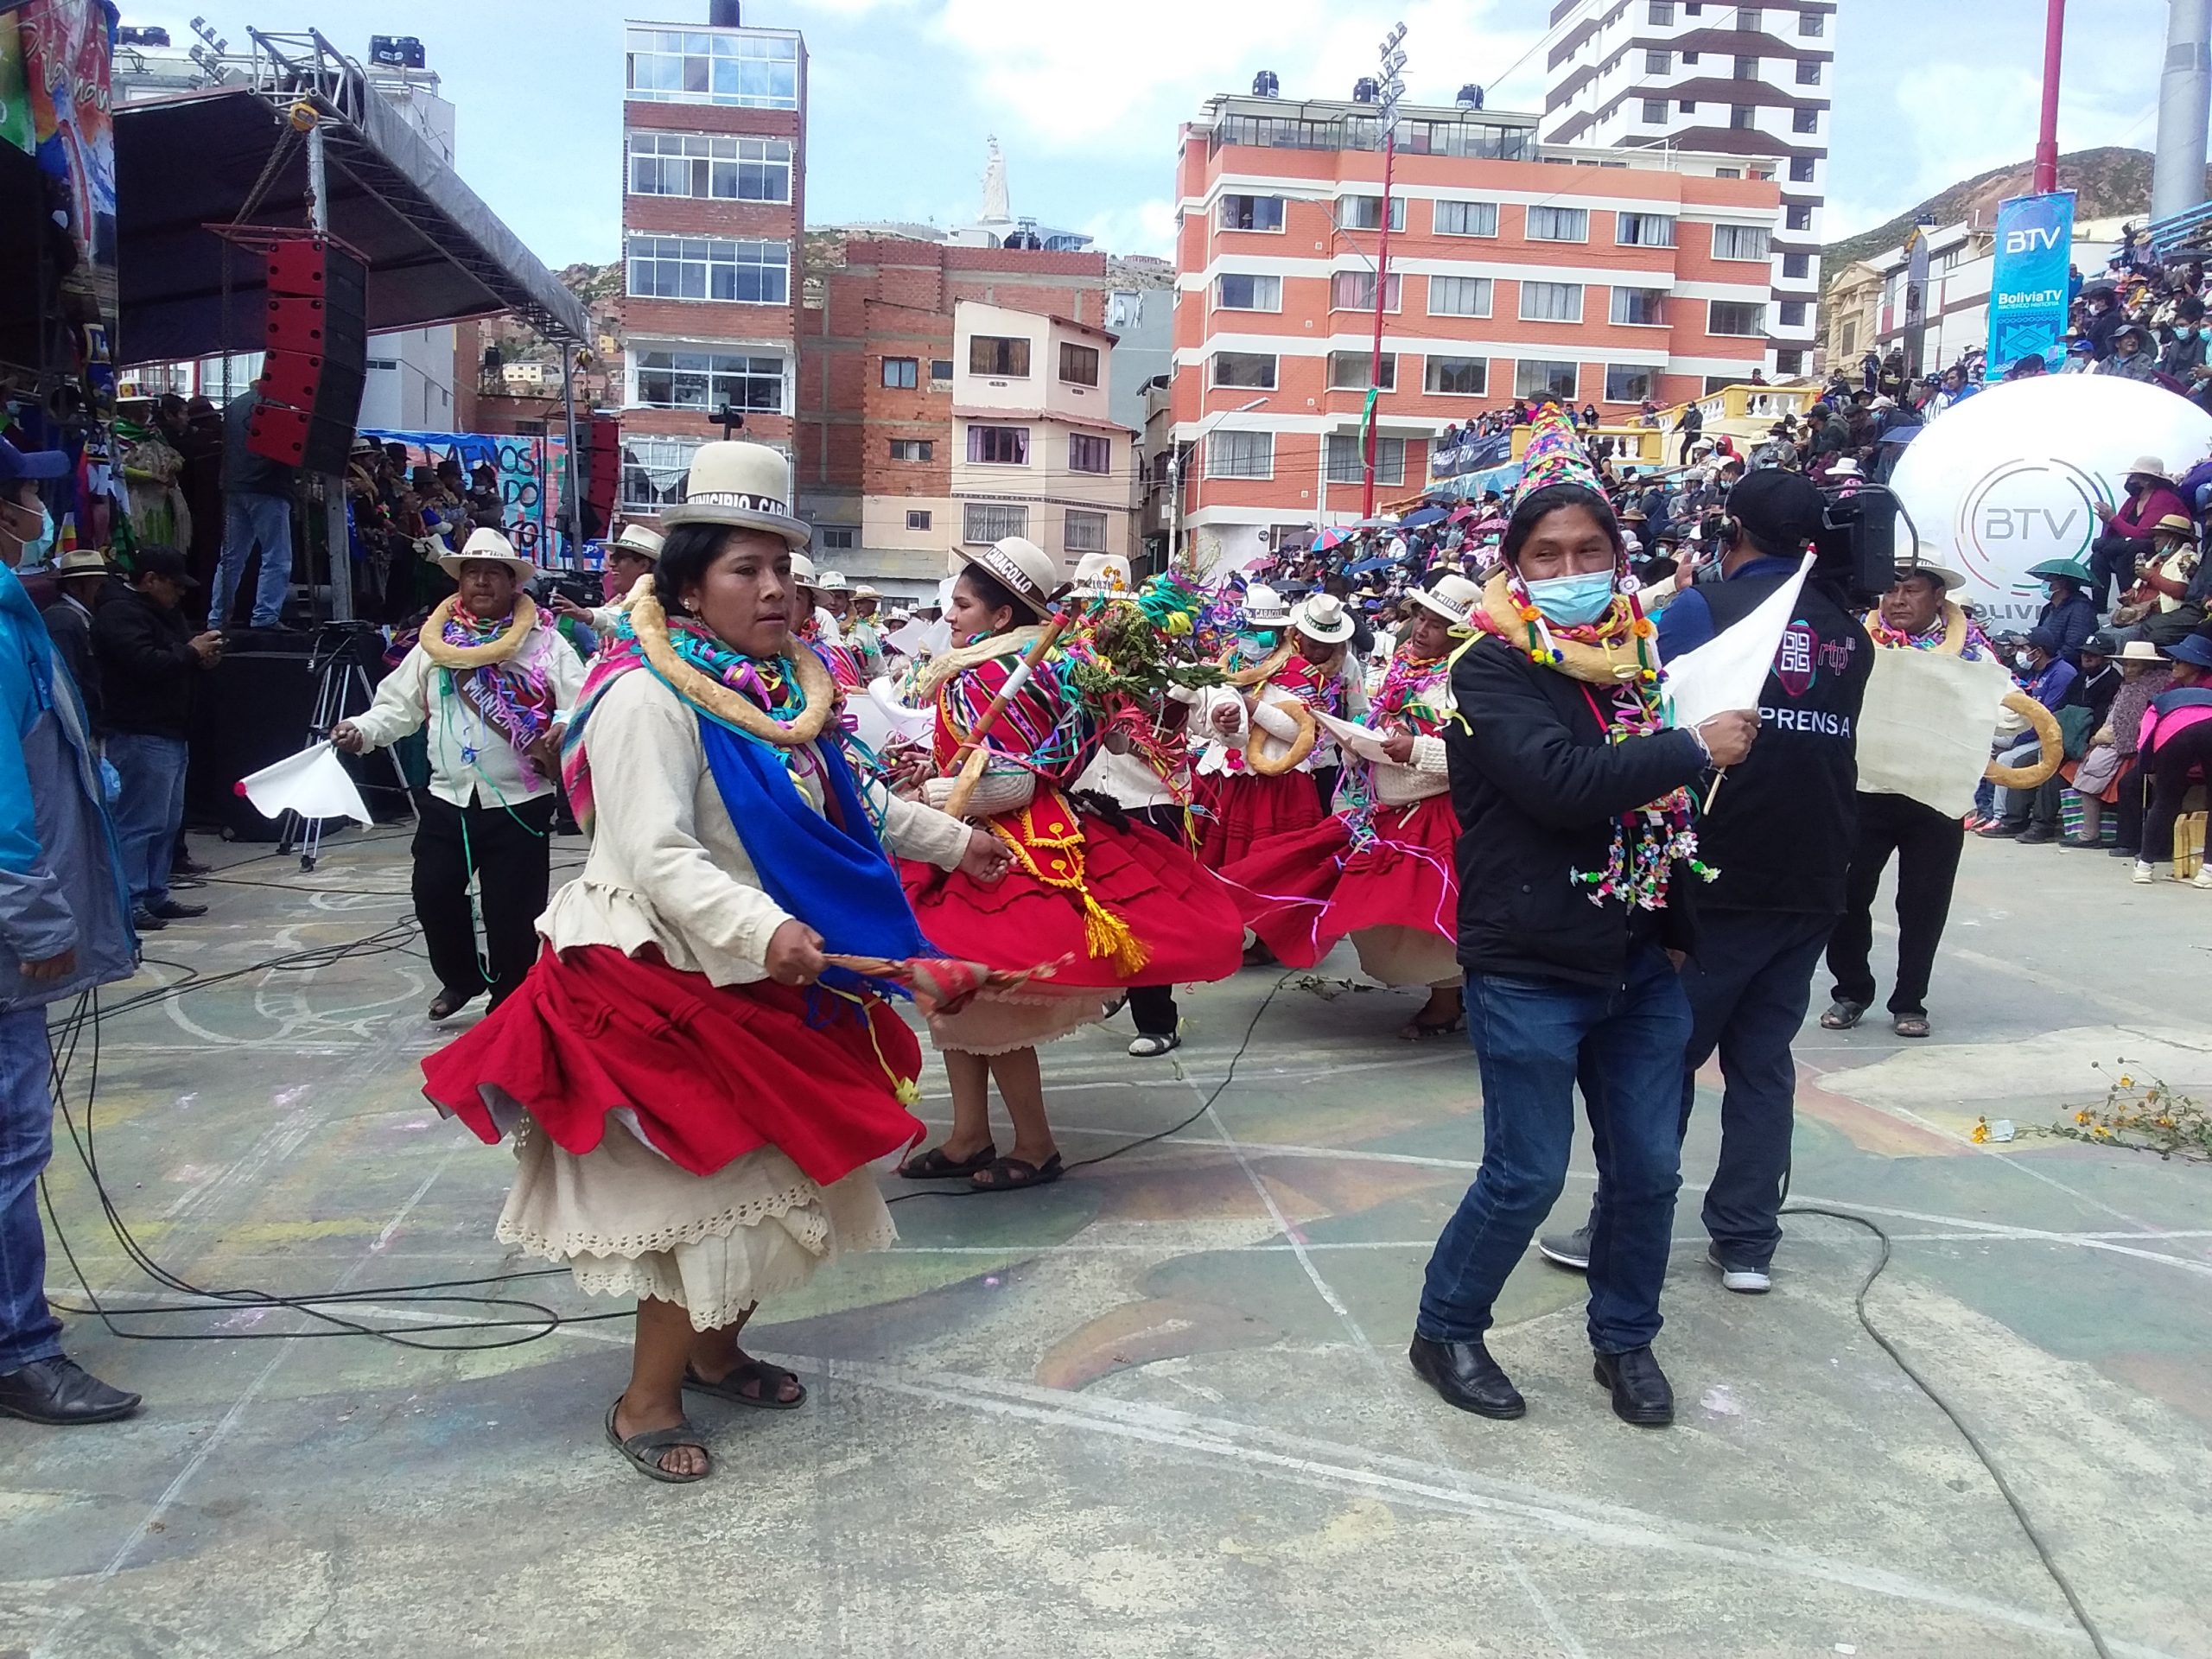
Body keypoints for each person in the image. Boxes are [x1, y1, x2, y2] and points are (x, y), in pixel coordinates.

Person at [418, 441, 1004, 1481]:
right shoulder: (648, 696)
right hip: (658, 977)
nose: (775, 588)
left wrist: (958, 842)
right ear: (688, 586)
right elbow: (653, 851)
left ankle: (718, 1351)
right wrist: (764, 932)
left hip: (758, 972)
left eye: (784, 567)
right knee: (702, 1201)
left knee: (779, 1180)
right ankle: (645, 1399)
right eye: (746, 569)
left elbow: (852, 804)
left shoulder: (783, 695)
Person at [1409, 477, 1759, 1428]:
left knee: (1647, 1171)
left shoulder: (1636, 659)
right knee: (1524, 1172)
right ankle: (1445, 1327)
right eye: (1546, 556)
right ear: (1513, 568)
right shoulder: (1490, 669)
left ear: (1618, 557)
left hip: (1639, 964)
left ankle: (1624, 1342)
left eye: (1588, 553)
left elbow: (1666, 816)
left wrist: (1678, 934)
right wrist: (1692, 746)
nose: (1569, 571)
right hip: (1528, 961)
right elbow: (1560, 784)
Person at [1548, 467, 1872, 1294]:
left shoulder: (1703, 610)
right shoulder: (1850, 629)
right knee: (1764, 1062)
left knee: (1664, 1057)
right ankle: (1748, 1242)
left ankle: (1620, 1228)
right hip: (1815, 873)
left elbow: (1655, 714)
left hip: (1716, 875)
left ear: (1735, 534)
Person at [898, 536, 1244, 1189]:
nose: (950, 616)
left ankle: (1034, 1145)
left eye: (963, 605)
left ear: (1002, 617)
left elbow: (1016, 782)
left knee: (988, 1006)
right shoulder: (1038, 667)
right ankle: (970, 1134)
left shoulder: (999, 676)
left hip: (1003, 847)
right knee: (951, 1002)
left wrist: (928, 796)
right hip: (976, 837)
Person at [0, 503, 142, 1427]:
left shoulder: (20, 616)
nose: (32, 515)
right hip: (10, 939)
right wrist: (41, 926)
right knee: (12, 1147)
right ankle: (19, 1348)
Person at [334, 529, 586, 1020]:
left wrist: (559, 727)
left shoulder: (544, 643)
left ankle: (509, 1003)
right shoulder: (433, 646)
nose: (482, 582)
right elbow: (396, 708)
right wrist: (360, 730)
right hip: (448, 800)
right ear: (459, 582)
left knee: (512, 913)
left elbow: (579, 703)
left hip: (519, 801)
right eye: (473, 573)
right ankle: (462, 978)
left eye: (494, 573)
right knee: (432, 896)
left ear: (513, 583)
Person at [1223, 575, 1480, 1040]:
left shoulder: (1468, 683)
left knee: (1426, 911)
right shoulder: (1403, 668)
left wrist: (1416, 750)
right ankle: (1452, 992)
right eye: (1421, 618)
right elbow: (1372, 718)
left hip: (1437, 812)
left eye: (1437, 625)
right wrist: (1357, 743)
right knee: (1379, 906)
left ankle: (1448, 1000)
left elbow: (1477, 753)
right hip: (1387, 806)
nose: (1421, 630)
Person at [1823, 556, 1989, 1038]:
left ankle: (1910, 999)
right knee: (1847, 894)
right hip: (1865, 789)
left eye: (1912, 590)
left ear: (1939, 597)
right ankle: (1850, 989)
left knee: (1923, 901)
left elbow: (1996, 712)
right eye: (1891, 590)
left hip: (1935, 796)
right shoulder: (1855, 641)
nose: (1898, 600)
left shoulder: (1973, 652)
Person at [92, 547, 219, 932]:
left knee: (166, 821)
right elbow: (144, 664)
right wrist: (188, 652)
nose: (180, 594)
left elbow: (175, 659)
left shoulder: (165, 614)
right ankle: (129, 900)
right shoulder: (119, 614)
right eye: (174, 585)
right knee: (139, 821)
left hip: (170, 730)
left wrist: (201, 658)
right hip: (139, 730)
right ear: (149, 580)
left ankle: (154, 892)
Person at [210, 386, 301, 629]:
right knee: (276, 556)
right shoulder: (279, 409)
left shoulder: (235, 406)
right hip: (267, 487)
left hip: (234, 485)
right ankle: (265, 616)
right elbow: (287, 452)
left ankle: (217, 617)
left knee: (231, 557)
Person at [2127, 631, 2212, 887]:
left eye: (2179, 661)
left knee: (2165, 800)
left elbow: (2147, 728)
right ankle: (2208, 871)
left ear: (2196, 665)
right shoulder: (2177, 687)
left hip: (2173, 734)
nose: (2173, 664)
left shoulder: (2167, 695)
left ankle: (2144, 866)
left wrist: (2148, 766)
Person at [2088, 459, 2188, 613]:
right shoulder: (2133, 501)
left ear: (2147, 480)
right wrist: (2109, 522)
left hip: (2162, 548)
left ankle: (2129, 605)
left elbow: (2142, 533)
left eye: (2133, 476)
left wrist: (2112, 519)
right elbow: (2115, 530)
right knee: (2099, 556)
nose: (2129, 480)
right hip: (2134, 546)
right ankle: (2098, 610)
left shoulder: (2162, 498)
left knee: (2129, 551)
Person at [37, 547, 111, 736]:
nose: (104, 593)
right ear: (75, 587)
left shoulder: (83, 618)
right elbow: (67, 681)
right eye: (99, 586)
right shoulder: (63, 621)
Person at [552, 521, 664, 639]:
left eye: (619, 558)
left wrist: (587, 615)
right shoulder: (619, 601)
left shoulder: (655, 604)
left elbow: (625, 619)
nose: (611, 564)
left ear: (643, 565)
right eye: (612, 557)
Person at [2027, 558, 2098, 664]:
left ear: (2062, 584)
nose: (2044, 583)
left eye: (2049, 580)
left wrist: (2048, 663)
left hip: (2063, 669)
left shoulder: (2081, 609)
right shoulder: (2048, 609)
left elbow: (2073, 647)